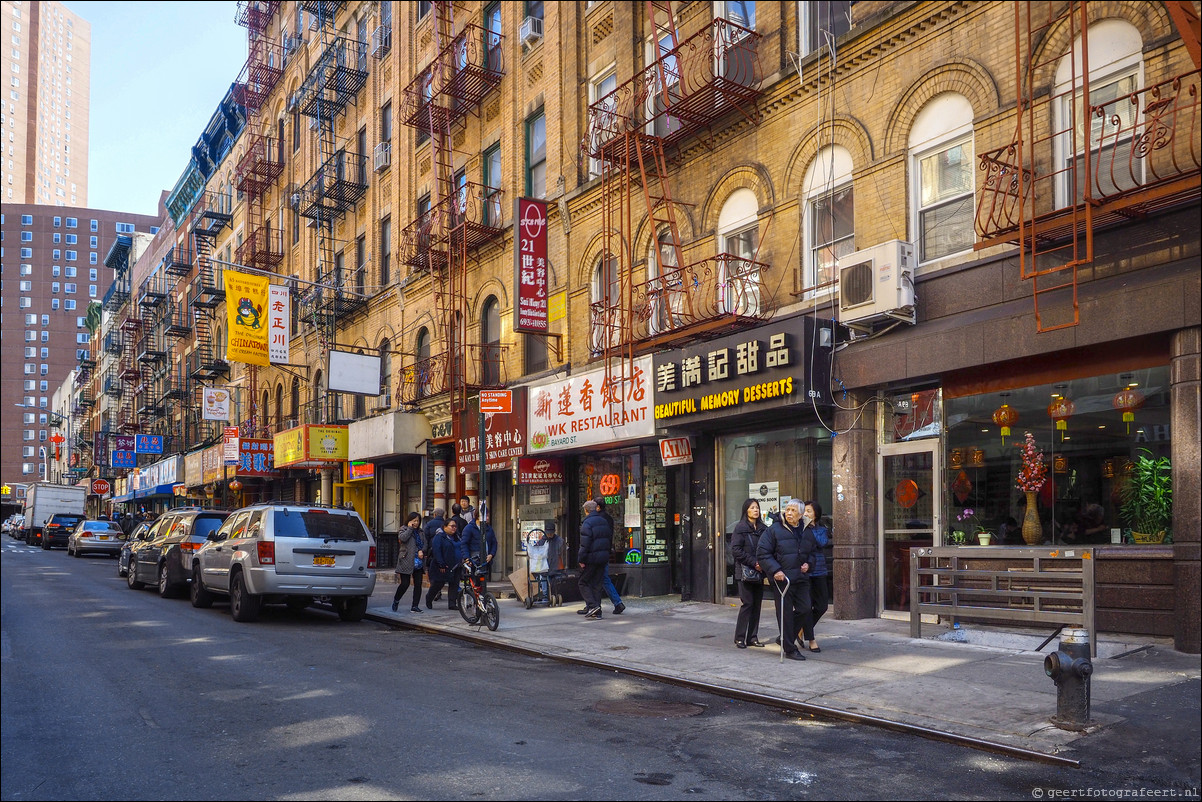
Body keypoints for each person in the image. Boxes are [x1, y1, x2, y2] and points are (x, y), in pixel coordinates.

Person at [757, 498, 817, 662]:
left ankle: (785, 637)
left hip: (801, 577)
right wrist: (775, 570)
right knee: (785, 614)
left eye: (793, 511)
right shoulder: (774, 530)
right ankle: (790, 648)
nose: (789, 513)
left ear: (800, 514)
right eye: (788, 510)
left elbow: (812, 553)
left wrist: (809, 564)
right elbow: (762, 553)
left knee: (805, 609)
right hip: (782, 579)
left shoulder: (806, 530)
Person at [730, 497, 769, 649]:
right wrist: (754, 563)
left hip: (759, 572)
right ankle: (740, 637)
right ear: (746, 510)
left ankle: (752, 637)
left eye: (757, 507)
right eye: (752, 507)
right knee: (748, 604)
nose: (756, 510)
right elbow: (736, 550)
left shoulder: (763, 529)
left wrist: (763, 564)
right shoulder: (740, 528)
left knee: (757, 605)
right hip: (745, 571)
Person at [587, 496, 626, 615]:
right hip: (605, 552)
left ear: (598, 507)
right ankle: (598, 604)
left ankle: (598, 605)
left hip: (597, 553)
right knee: (602, 578)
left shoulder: (597, 519)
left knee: (599, 578)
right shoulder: (608, 518)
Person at [799, 501, 829, 653]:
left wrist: (810, 528)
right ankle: (811, 639)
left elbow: (822, 543)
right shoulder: (799, 529)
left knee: (822, 606)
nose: (806, 514)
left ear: (815, 514)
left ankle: (800, 629)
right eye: (804, 511)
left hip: (819, 571)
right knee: (806, 606)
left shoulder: (821, 530)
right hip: (805, 571)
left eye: (809, 511)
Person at [577, 499, 613, 619]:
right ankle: (597, 610)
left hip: (591, 558)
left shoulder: (587, 523)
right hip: (603, 557)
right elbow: (608, 539)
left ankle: (592, 606)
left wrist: (581, 559)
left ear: (586, 511)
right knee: (597, 584)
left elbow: (585, 544)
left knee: (583, 582)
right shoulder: (604, 521)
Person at [424, 518, 461, 610]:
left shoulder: (457, 537)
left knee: (454, 583)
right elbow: (437, 551)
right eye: (452, 526)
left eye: (455, 526)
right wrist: (441, 563)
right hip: (443, 565)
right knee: (438, 583)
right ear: (445, 527)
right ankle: (429, 598)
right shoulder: (439, 537)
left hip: (456, 564)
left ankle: (452, 603)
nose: (454, 528)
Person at [392, 512, 425, 613]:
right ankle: (396, 600)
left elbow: (425, 543)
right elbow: (403, 538)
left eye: (417, 521)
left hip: (418, 560)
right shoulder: (404, 529)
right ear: (409, 521)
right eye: (414, 520)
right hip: (406, 559)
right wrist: (410, 528)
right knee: (405, 584)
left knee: (418, 584)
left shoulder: (420, 531)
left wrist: (422, 550)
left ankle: (415, 606)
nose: (416, 522)